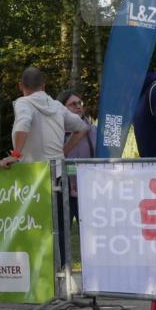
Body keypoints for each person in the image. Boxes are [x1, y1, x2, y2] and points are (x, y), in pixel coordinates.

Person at [0, 68, 89, 266]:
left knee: (34, 228)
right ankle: (61, 276)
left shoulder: (24, 102)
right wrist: (63, 151)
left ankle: (40, 277)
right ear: (44, 85)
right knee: (59, 228)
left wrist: (15, 155)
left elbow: (23, 123)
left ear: (21, 86)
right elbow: (82, 128)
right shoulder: (57, 106)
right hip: (57, 174)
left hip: (33, 177)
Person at [58, 89, 95, 228]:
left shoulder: (94, 130)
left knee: (91, 238)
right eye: (73, 104)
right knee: (61, 236)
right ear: (62, 108)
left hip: (89, 192)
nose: (79, 106)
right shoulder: (56, 133)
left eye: (80, 103)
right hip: (62, 193)